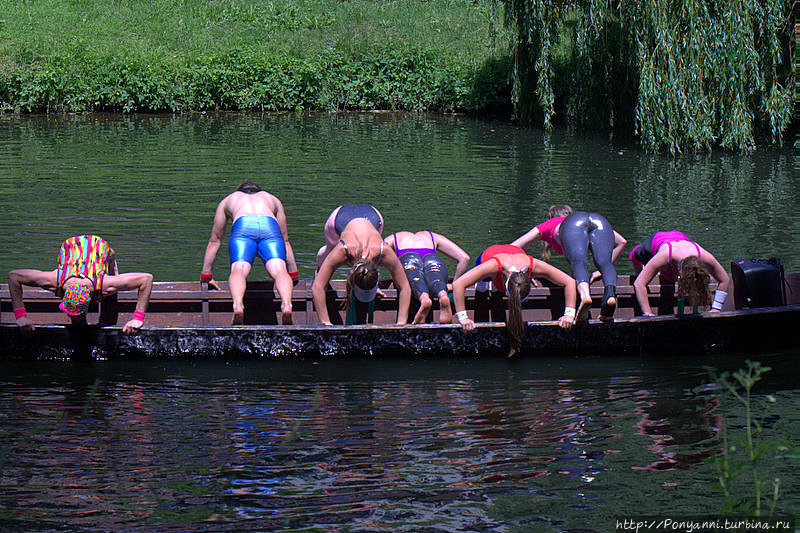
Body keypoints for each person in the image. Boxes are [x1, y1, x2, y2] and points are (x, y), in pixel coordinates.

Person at [8, 234, 153, 335]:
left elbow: (146, 279)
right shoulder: (53, 281)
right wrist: (20, 316)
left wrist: (137, 318)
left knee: (111, 295)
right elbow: (14, 276)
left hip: (100, 248)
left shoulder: (106, 285)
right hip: (70, 247)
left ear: (90, 300)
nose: (74, 318)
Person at [452, 244, 578, 358]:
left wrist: (569, 314)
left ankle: (497, 288)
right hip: (490, 256)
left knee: (497, 293)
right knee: (482, 291)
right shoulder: (493, 266)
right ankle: (486, 285)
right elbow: (458, 285)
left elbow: (570, 282)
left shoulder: (534, 266)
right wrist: (463, 317)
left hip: (516, 255)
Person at [201, 180, 298, 325]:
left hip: (243, 226)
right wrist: (293, 273)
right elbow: (285, 241)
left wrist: (206, 275)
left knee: (239, 269)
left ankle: (238, 305)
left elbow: (215, 241)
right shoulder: (272, 199)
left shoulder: (229, 199)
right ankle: (286, 305)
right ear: (259, 190)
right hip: (269, 227)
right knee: (279, 270)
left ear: (239, 190)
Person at [512, 205, 627, 321]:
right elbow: (622, 242)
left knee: (578, 261)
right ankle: (610, 295)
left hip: (575, 224)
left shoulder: (549, 224)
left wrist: (524, 271)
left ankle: (585, 296)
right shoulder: (582, 219)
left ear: (551, 217)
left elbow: (513, 247)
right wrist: (599, 271)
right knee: (604, 262)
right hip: (598, 219)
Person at [312, 204, 411, 325]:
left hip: (374, 217)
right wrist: (326, 323)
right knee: (327, 257)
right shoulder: (343, 250)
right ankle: (323, 260)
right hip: (339, 219)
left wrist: (401, 324)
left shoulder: (384, 251)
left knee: (365, 262)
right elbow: (317, 288)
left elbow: (405, 287)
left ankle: (368, 282)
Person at [629, 230, 731, 316]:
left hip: (680, 237)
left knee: (667, 275)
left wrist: (716, 308)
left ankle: (662, 271)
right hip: (658, 240)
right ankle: (636, 254)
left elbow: (724, 279)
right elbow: (639, 284)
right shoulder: (664, 255)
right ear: (679, 270)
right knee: (639, 255)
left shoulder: (703, 255)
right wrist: (648, 313)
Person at [384, 230, 470, 324]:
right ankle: (442, 295)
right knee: (433, 274)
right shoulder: (432, 237)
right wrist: (454, 284)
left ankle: (424, 299)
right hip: (432, 263)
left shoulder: (394, 238)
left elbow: (376, 255)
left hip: (409, 263)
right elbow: (464, 258)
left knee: (412, 276)